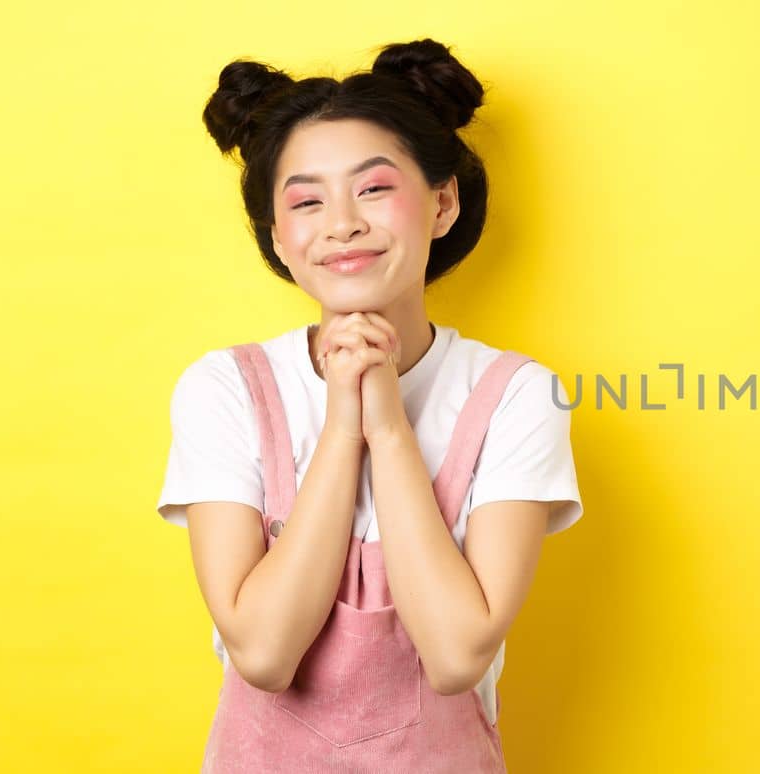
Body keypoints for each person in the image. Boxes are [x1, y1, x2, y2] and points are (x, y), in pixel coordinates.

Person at [155, 38, 583, 772]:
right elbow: (262, 651)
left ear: (442, 202)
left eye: (374, 188)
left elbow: (454, 655)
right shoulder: (224, 388)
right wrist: (342, 425)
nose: (343, 222)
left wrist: (386, 423)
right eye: (307, 200)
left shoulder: (515, 395)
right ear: (278, 237)